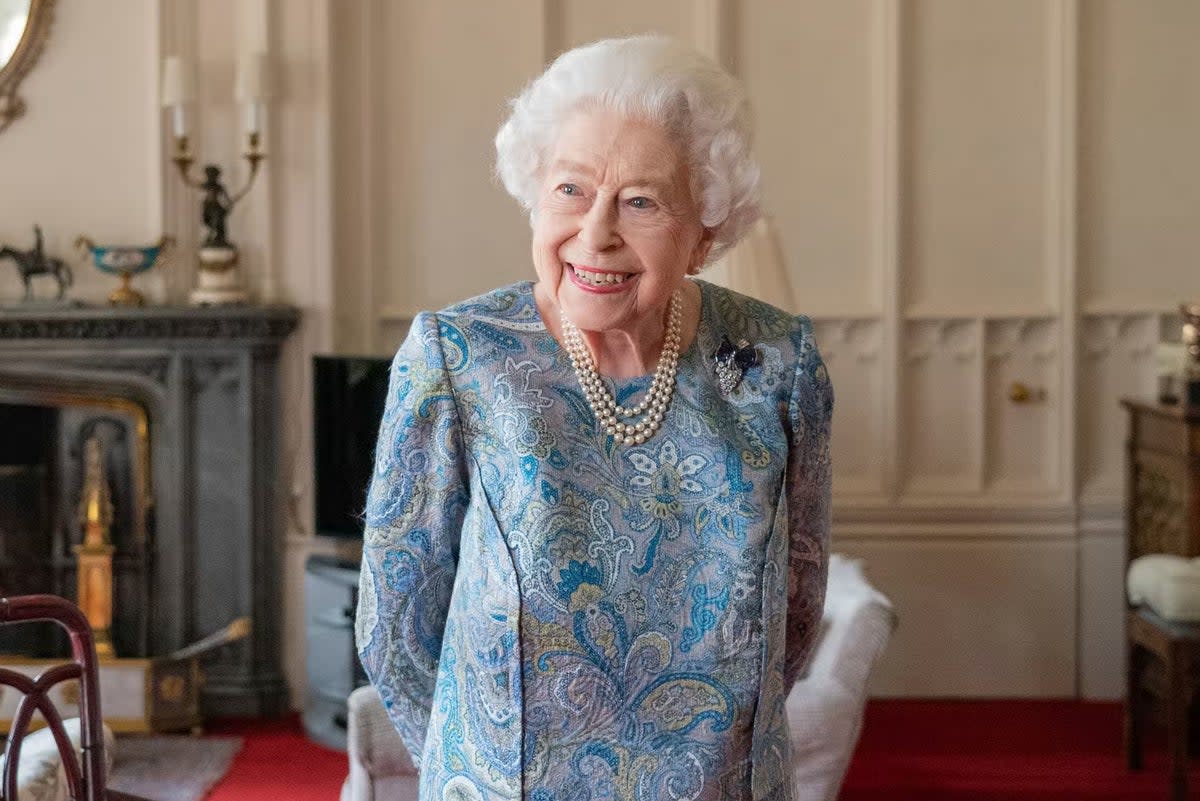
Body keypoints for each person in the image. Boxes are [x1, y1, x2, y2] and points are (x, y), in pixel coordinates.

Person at [356, 35, 833, 801]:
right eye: (571, 189)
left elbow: (798, 611)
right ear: (535, 191)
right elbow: (396, 626)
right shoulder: (459, 359)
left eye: (641, 201)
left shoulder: (777, 362)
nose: (596, 231)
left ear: (705, 230)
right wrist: (478, 767)